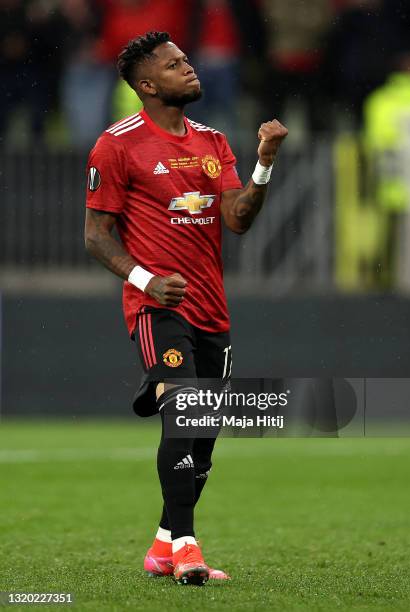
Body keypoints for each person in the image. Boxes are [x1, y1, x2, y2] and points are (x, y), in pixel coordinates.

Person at [84, 30, 288, 586]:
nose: (190, 68)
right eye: (175, 65)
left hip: (211, 310)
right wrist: (148, 281)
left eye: (187, 60)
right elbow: (97, 236)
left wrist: (264, 165)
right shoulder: (117, 144)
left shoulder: (214, 142)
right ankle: (189, 549)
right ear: (147, 85)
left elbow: (237, 219)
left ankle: (160, 547)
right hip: (156, 308)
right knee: (185, 413)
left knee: (202, 442)